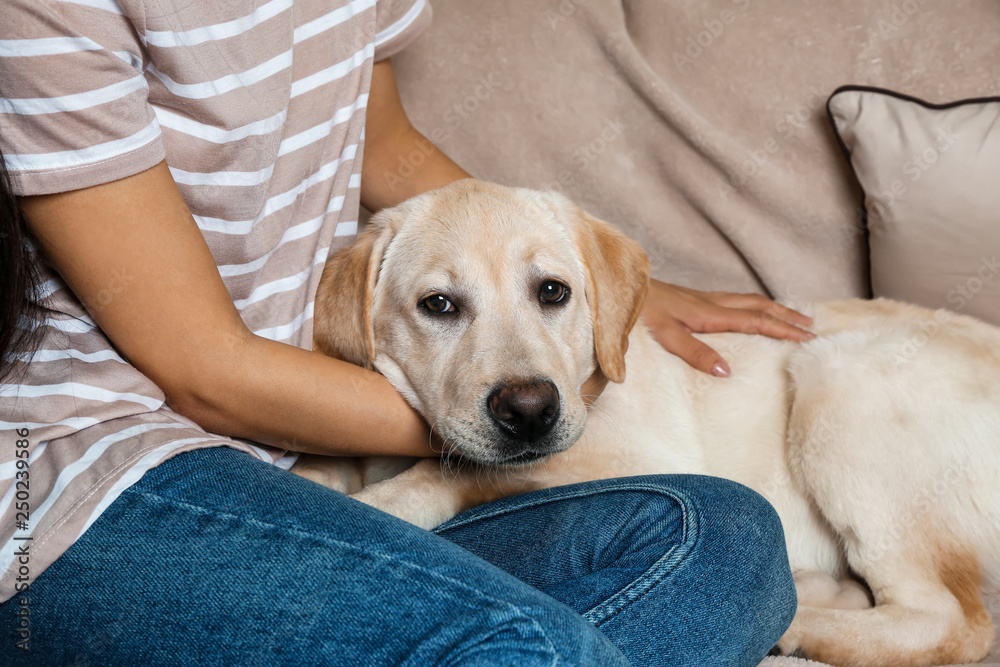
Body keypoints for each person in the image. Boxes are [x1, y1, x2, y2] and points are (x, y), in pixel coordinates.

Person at [0, 1, 810, 664]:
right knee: (527, 648)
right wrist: (474, 425)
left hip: (286, 460)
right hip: (91, 472)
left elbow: (381, 147)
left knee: (726, 542)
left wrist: (595, 282)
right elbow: (204, 371)